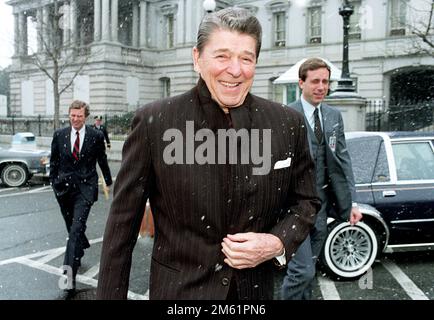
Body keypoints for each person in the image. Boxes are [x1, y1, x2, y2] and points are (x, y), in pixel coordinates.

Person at [96, 8, 320, 300]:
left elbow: (307, 201)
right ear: (196, 58)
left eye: (246, 58)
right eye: (222, 56)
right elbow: (121, 229)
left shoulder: (286, 123)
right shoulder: (156, 123)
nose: (235, 70)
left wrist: (277, 242)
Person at [281, 58, 363, 300]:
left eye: (325, 81)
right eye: (315, 81)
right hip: (293, 209)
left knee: (310, 271)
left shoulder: (333, 116)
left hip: (321, 207)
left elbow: (343, 161)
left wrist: (353, 203)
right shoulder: (286, 115)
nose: (321, 87)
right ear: (301, 83)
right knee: (301, 272)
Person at [50, 100, 112, 298]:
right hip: (63, 189)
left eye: (79, 116)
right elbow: (54, 161)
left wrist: (108, 180)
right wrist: (54, 182)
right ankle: (82, 244)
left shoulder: (96, 135)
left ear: (86, 117)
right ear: (69, 115)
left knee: (76, 229)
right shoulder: (60, 135)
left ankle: (69, 276)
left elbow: (101, 159)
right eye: (72, 115)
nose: (75, 119)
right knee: (72, 227)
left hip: (85, 189)